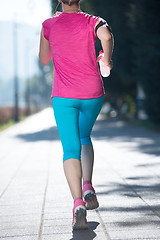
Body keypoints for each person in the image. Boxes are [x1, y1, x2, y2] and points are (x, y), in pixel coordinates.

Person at [39, 0, 114, 230]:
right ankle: (88, 186)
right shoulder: (92, 21)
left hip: (64, 96)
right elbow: (107, 36)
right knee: (84, 138)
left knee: (70, 148)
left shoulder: (49, 25)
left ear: (60, 1)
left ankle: (78, 204)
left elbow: (44, 59)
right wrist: (106, 59)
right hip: (92, 93)